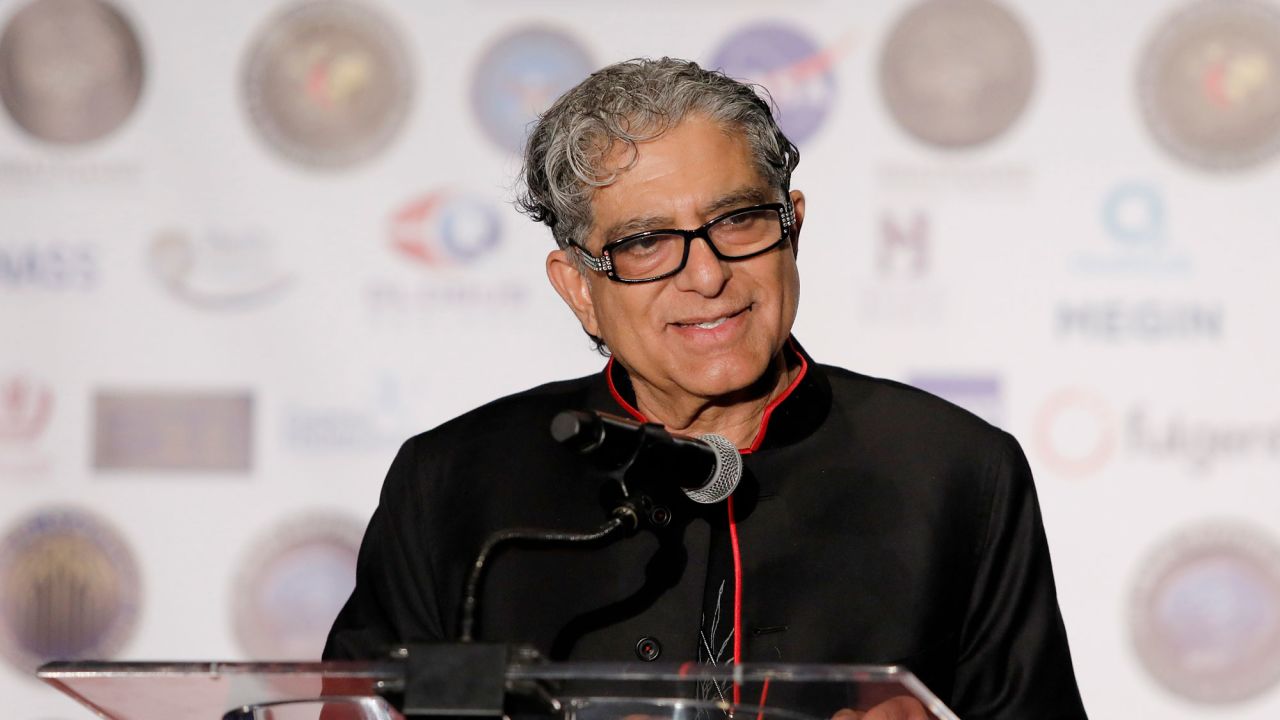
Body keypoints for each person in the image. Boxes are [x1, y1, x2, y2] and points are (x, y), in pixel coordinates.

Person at [325, 58, 1088, 720]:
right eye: (646, 242)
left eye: (739, 220)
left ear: (791, 227)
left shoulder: (955, 470)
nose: (706, 273)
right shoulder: (459, 483)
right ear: (579, 288)